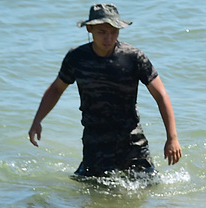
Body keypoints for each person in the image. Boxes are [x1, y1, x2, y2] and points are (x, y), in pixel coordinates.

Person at [28, 3, 181, 178]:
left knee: (146, 191)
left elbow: (161, 95)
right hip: (95, 144)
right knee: (94, 197)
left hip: (132, 142)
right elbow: (56, 89)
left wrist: (172, 138)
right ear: (89, 29)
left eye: (114, 31)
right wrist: (37, 121)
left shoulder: (133, 57)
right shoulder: (77, 58)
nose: (109, 38)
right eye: (102, 32)